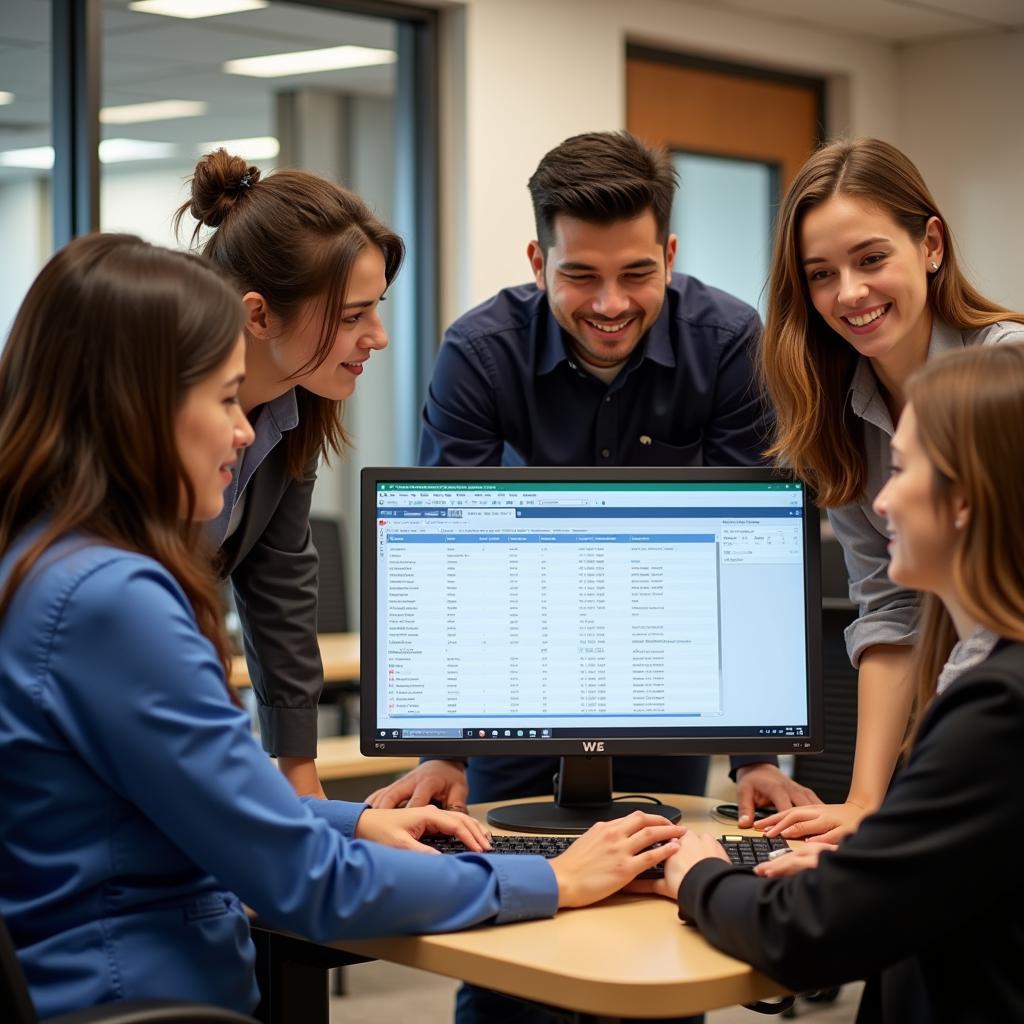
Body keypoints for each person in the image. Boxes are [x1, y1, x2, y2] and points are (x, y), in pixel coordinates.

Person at [0, 234, 688, 1019]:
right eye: (225, 399)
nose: (240, 432)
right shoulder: (113, 601)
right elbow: (299, 881)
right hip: (136, 988)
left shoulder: (41, 560)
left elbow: (187, 801)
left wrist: (353, 820)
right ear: (139, 405)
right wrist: (553, 877)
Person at [368, 130, 816, 826]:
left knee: (659, 883)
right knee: (500, 871)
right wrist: (442, 752)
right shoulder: (479, 353)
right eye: (580, 275)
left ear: (669, 257)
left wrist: (755, 756)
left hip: (667, 682)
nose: (610, 304)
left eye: (636, 274)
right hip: (510, 686)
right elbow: (445, 556)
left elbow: (748, 555)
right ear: (538, 262)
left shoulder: (728, 344)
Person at [639, 343, 1024, 1023]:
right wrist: (871, 867)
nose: (881, 499)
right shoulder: (992, 673)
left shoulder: (997, 710)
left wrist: (695, 871)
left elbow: (804, 936)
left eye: (902, 470)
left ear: (963, 501)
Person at [753, 137, 1024, 845]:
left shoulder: (1006, 374)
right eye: (821, 274)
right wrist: (866, 803)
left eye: (871, 259)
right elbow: (891, 606)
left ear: (930, 244)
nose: (849, 294)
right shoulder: (830, 409)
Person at [175, 149, 400, 797]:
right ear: (257, 314)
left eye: (376, 308)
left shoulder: (288, 411)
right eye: (354, 316)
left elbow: (279, 578)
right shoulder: (161, 423)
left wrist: (298, 771)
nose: (378, 337)